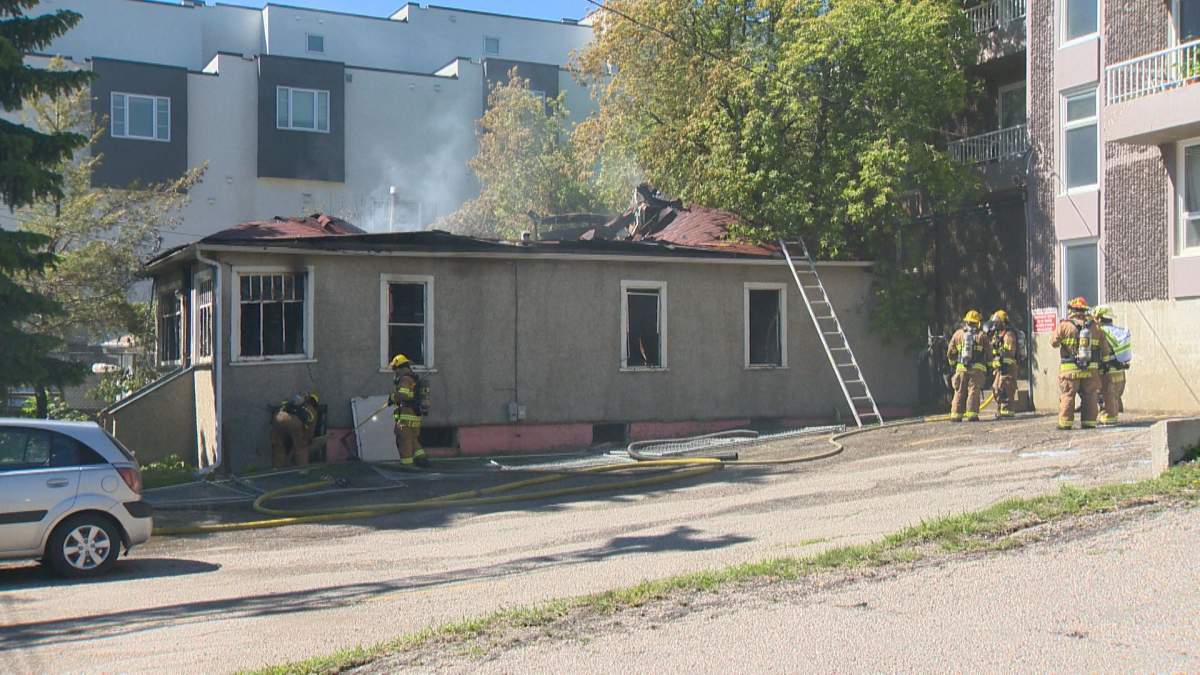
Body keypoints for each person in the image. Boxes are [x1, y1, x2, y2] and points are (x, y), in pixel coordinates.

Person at [1050, 297, 1107, 430]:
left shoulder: (1064, 326)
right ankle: (1089, 422)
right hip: (1090, 370)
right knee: (1090, 395)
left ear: (1072, 310)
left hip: (1069, 370)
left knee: (1068, 394)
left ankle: (1065, 423)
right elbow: (1105, 349)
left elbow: (1053, 343)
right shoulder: (1096, 327)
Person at [945, 310, 990, 422]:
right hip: (976, 370)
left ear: (966, 321)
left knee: (959, 391)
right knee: (973, 391)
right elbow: (989, 353)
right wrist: (990, 365)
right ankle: (972, 415)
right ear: (978, 322)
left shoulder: (958, 334)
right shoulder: (982, 336)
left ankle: (956, 415)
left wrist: (953, 364)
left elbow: (950, 352)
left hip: (961, 369)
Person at [388, 354, 430, 468]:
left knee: (403, 441)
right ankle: (422, 459)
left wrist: (392, 398)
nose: (395, 372)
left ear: (400, 367)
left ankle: (407, 466)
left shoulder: (405, 379)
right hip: (414, 417)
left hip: (405, 419)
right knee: (413, 440)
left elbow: (403, 395)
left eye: (395, 369)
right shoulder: (413, 379)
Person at [1093, 305, 1131, 426]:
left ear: (1099, 318)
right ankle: (1112, 414)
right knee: (1114, 395)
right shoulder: (1118, 331)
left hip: (1107, 373)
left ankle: (1109, 417)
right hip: (1120, 373)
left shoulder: (1101, 332)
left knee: (1106, 396)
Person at [270, 392, 319, 467]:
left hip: (278, 418)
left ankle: (276, 468)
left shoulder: (293, 403)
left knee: (279, 445)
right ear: (314, 403)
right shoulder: (312, 410)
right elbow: (310, 431)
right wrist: (307, 439)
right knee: (301, 447)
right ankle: (302, 469)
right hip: (294, 422)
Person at [988, 310, 1019, 419]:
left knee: (1006, 388)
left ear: (1003, 322)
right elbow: (993, 349)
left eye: (997, 322)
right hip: (1000, 367)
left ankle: (1007, 412)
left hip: (1008, 367)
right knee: (996, 388)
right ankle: (1001, 410)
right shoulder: (998, 334)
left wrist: (1000, 354)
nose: (995, 324)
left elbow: (1009, 351)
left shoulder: (1009, 334)